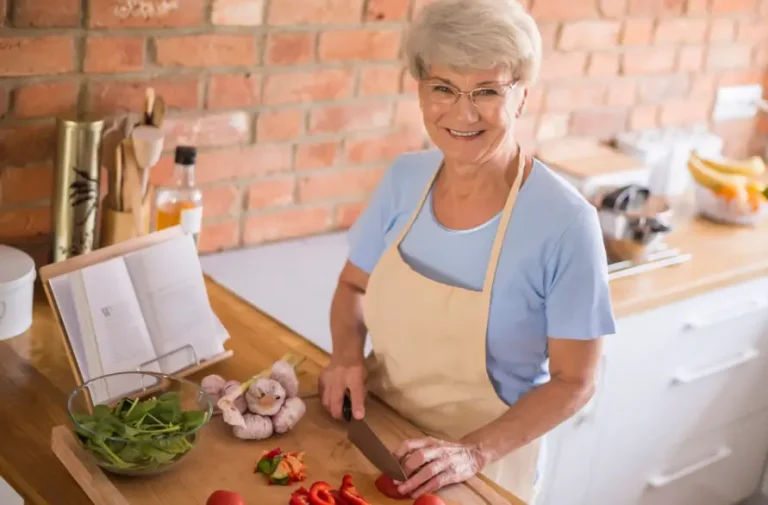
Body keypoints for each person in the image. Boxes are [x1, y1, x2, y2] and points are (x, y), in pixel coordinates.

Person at [318, 0, 616, 502]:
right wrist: (346, 356)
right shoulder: (403, 180)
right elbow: (352, 286)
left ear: (521, 96)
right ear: (420, 91)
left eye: (486, 91)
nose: (462, 112)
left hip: (481, 470)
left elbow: (575, 381)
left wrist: (471, 453)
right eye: (443, 88)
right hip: (379, 436)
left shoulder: (566, 223)